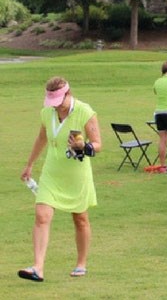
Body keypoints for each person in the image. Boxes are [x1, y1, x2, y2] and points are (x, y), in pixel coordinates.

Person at [18, 77, 103, 282]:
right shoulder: (47, 113)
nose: (55, 106)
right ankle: (38, 267)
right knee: (41, 215)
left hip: (76, 174)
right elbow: (42, 138)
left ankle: (81, 263)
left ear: (68, 94)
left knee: (80, 219)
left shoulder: (85, 111)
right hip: (52, 171)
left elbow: (98, 144)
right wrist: (29, 164)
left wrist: (84, 147)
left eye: (58, 100)